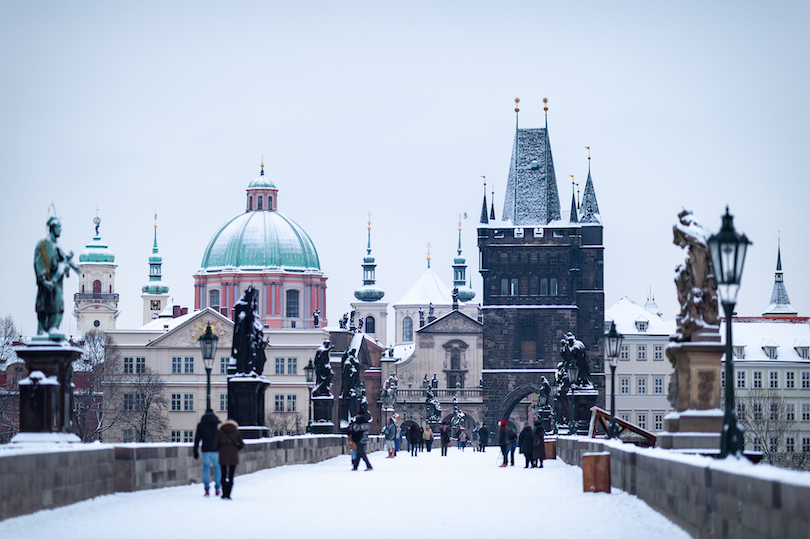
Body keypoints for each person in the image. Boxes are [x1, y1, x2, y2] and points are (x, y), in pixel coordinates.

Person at [193, 410, 222, 496]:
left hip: (205, 450)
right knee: (217, 469)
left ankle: (206, 489)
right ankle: (217, 489)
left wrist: (195, 451)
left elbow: (197, 439)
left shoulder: (201, 425)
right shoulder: (218, 424)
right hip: (216, 450)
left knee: (206, 470)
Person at [215, 419, 245, 499]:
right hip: (233, 455)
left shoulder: (220, 431)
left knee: (223, 474)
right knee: (231, 475)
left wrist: (221, 449)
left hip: (223, 454)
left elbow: (216, 444)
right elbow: (242, 444)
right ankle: (228, 494)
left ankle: (224, 493)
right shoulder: (236, 431)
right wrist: (236, 448)